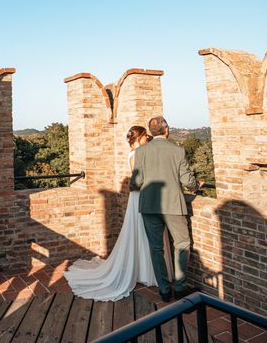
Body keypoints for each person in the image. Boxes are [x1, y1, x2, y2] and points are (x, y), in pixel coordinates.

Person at [63, 126, 171, 301]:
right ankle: (144, 271)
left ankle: (147, 270)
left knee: (145, 234)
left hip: (143, 196)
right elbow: (138, 180)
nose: (147, 138)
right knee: (142, 233)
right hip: (141, 197)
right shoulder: (135, 155)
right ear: (139, 137)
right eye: (145, 136)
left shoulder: (140, 152)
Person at [130, 116, 199, 301]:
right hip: (173, 205)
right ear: (166, 130)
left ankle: (164, 290)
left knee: (156, 248)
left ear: (152, 132)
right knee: (182, 244)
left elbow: (136, 182)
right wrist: (197, 185)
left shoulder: (141, 152)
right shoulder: (178, 150)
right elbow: (188, 181)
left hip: (149, 206)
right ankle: (180, 286)